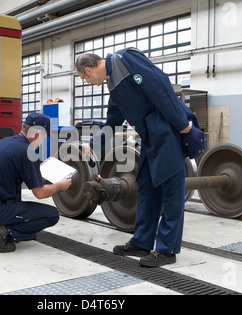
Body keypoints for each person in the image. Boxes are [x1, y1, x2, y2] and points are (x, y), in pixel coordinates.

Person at [75, 48, 200, 267]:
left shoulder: (125, 59)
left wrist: (181, 124)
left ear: (88, 70)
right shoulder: (113, 85)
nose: (87, 83)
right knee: (146, 185)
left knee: (171, 190)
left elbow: (160, 86)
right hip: (151, 137)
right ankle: (142, 241)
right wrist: (92, 145)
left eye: (84, 79)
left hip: (167, 130)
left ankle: (167, 250)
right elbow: (112, 122)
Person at [0, 113, 72, 253]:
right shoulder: (28, 152)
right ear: (38, 133)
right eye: (44, 137)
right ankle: (5, 232)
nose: (43, 141)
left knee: (15, 185)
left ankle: (18, 228)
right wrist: (59, 185)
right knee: (51, 215)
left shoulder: (6, 141)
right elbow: (39, 193)